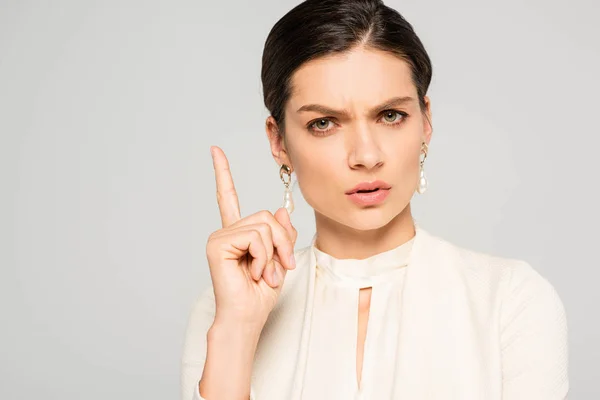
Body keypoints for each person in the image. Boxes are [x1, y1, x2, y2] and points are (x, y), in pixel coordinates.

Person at [181, 0, 569, 399]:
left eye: (389, 115)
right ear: (279, 141)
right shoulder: (224, 309)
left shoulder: (510, 301)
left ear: (425, 120)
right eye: (324, 123)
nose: (366, 156)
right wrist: (238, 330)